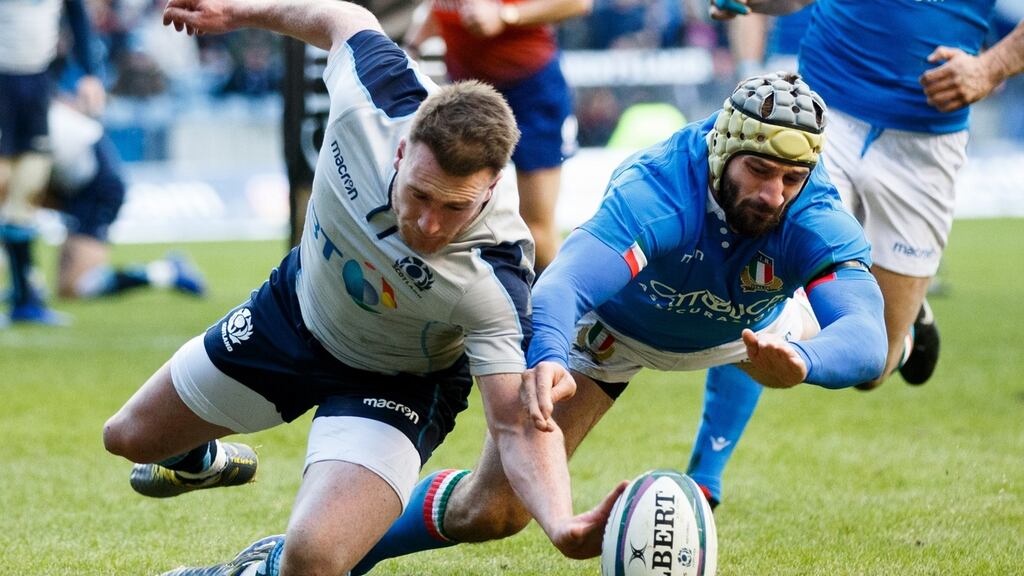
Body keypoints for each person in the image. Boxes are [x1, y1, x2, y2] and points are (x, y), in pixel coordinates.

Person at [191, 71, 888, 576]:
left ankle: (708, 474)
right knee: (493, 512)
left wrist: (806, 363)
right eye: (759, 171)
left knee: (843, 348)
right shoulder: (659, 191)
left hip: (748, 324)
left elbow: (864, 336)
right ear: (722, 150)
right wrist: (549, 354)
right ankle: (294, 561)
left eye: (790, 180)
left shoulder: (811, 211)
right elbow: (564, 286)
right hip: (616, 332)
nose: (772, 194)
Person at [103, 1, 620, 575]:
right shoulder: (371, 100)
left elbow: (514, 424)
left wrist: (561, 523)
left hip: (395, 383)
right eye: (419, 195)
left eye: (455, 208)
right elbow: (344, 18)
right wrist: (237, 12)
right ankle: (201, 461)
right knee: (127, 438)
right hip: (294, 314)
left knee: (314, 559)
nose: (429, 225)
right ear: (401, 150)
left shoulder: (495, 273)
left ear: (492, 186)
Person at [402, 0, 591, 273]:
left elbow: (578, 3)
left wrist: (506, 15)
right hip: (467, 93)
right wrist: (413, 46)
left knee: (537, 233)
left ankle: (554, 298)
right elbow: (443, 8)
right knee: (448, 217)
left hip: (530, 91)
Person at [0, 0, 106, 325]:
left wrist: (89, 72)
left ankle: (25, 299)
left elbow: (77, 15)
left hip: (36, 87)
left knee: (25, 193)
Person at [45, 100, 206, 300]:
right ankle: (24, 285)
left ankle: (166, 271)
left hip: (94, 185)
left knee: (76, 287)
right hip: (70, 177)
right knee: (65, 289)